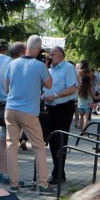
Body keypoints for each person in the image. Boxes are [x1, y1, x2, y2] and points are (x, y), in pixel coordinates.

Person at [4, 37, 54, 194]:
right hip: (28, 112)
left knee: (11, 147)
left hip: (10, 109)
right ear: (38, 49)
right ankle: (43, 184)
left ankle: (14, 184)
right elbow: (49, 84)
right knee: (39, 147)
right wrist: (46, 65)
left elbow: (6, 88)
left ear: (26, 47)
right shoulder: (39, 66)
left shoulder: (12, 64)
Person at [41, 46, 77, 185]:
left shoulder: (67, 68)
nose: (50, 57)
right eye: (49, 55)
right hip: (51, 107)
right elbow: (46, 86)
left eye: (52, 55)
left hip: (63, 107)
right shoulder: (50, 69)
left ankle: (58, 172)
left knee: (61, 139)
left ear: (61, 55)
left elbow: (72, 88)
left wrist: (55, 95)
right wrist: (45, 95)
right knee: (52, 139)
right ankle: (58, 171)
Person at [76, 60, 95, 132]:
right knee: (86, 116)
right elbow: (92, 81)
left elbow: (80, 81)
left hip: (81, 90)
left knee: (81, 116)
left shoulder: (80, 72)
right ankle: (84, 129)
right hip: (88, 90)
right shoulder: (90, 72)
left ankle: (81, 129)